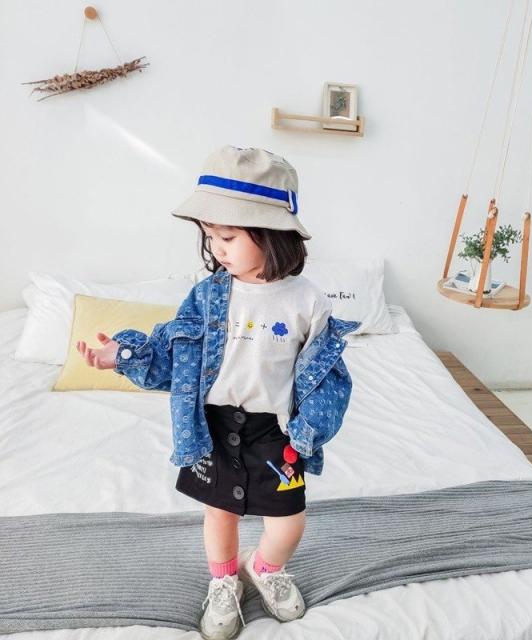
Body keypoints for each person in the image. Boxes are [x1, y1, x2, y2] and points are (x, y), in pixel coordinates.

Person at [76, 145, 360, 640]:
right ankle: (225, 580)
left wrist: (309, 428)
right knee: (219, 512)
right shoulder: (207, 295)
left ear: (272, 236)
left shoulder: (307, 300)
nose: (217, 248)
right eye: (211, 237)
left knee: (289, 522)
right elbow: (173, 351)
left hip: (276, 431)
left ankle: (265, 568)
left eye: (227, 237)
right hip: (213, 424)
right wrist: (122, 355)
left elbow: (326, 374)